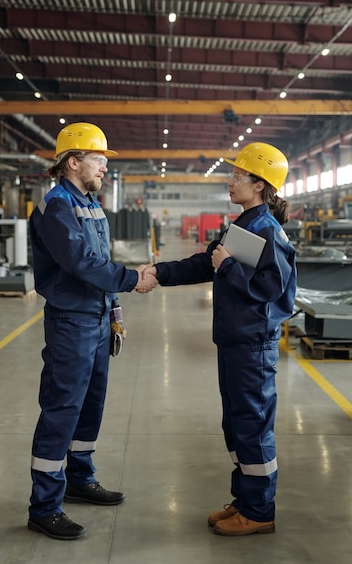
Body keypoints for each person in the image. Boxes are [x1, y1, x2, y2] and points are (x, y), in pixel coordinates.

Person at [144, 142, 296, 536]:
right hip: (233, 342)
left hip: (252, 346)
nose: (230, 182)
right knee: (236, 425)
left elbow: (276, 291)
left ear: (260, 184)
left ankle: (260, 512)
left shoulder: (267, 230)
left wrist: (228, 266)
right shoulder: (244, 224)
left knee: (252, 426)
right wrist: (159, 273)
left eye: (237, 176)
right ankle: (245, 500)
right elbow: (204, 262)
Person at [28, 122, 157, 540]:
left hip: (98, 319)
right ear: (73, 161)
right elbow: (82, 262)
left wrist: (115, 309)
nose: (105, 168)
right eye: (100, 160)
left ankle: (80, 479)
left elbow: (101, 257)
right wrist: (130, 280)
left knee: (91, 406)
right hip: (71, 322)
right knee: (62, 408)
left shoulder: (90, 203)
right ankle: (44, 505)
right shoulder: (56, 207)